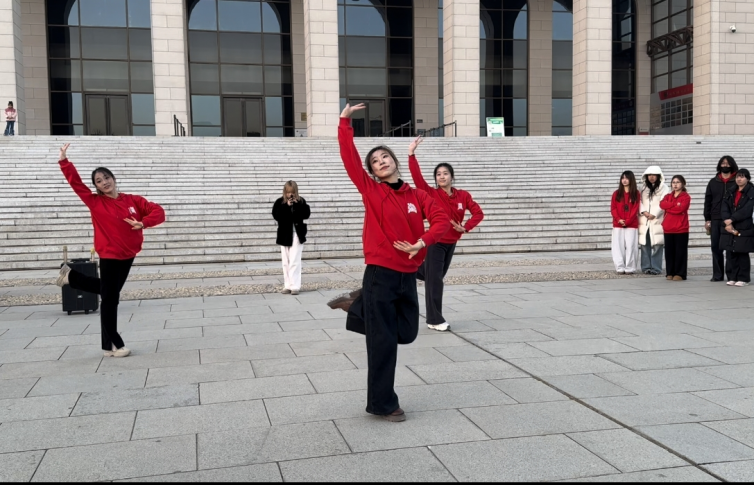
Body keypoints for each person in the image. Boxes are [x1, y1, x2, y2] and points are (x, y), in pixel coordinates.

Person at [335, 103, 450, 422]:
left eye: (385, 156)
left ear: (394, 161)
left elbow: (441, 220)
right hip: (380, 275)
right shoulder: (371, 190)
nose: (381, 162)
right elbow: (349, 158)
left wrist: (422, 242)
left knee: (408, 332)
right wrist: (344, 123)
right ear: (373, 172)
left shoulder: (418, 196)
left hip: (407, 276)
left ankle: (359, 306)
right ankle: (382, 404)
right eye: (375, 161)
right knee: (383, 343)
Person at [55, 143, 165, 357]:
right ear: (96, 186)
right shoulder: (95, 202)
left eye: (106, 177)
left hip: (129, 254)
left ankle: (72, 277)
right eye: (99, 181)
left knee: (109, 291)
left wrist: (144, 223)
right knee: (110, 298)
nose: (104, 182)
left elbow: (158, 211)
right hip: (109, 254)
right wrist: (64, 161)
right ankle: (115, 343)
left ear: (113, 178)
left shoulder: (133, 200)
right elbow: (76, 183)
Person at [408, 137, 484, 331]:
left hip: (451, 243)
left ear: (451, 176)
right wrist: (411, 154)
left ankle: (404, 267)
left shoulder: (463, 196)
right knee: (435, 282)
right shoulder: (431, 194)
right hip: (435, 242)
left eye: (445, 173)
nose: (441, 177)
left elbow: (478, 213)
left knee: (433, 276)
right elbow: (417, 178)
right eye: (438, 174)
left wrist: (465, 227)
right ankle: (434, 320)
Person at [272, 180, 310, 295]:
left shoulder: (301, 201)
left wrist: (297, 204)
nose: (290, 195)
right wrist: (286, 206)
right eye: (288, 192)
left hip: (297, 234)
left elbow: (306, 214)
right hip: (284, 235)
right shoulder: (280, 202)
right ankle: (287, 285)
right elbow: (276, 215)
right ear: (285, 192)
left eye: (292, 192)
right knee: (286, 261)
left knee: (295, 260)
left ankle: (295, 286)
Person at [704, 155, 739, 281]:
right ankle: (717, 275)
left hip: (730, 219)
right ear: (719, 165)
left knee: (730, 247)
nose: (725, 165)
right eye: (723, 163)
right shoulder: (713, 182)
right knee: (715, 247)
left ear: (732, 165)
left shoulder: (736, 181)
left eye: (727, 163)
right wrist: (707, 218)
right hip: (715, 218)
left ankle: (731, 275)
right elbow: (708, 201)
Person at [720, 169, 754, 287]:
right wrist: (727, 221)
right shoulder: (730, 191)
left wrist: (732, 219)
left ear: (747, 179)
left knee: (742, 252)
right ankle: (732, 277)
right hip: (730, 225)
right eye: (738, 177)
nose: (739, 179)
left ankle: (743, 278)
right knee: (730, 252)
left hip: (744, 225)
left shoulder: (751, 192)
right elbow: (724, 206)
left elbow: (747, 210)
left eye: (742, 177)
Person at [638, 166, 669, 275]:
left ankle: (656, 268)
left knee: (657, 244)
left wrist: (654, 214)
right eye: (649, 175)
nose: (651, 177)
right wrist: (644, 212)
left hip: (657, 220)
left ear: (658, 176)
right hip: (644, 220)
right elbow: (638, 201)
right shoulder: (643, 188)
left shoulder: (664, 188)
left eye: (654, 175)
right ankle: (646, 267)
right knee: (644, 244)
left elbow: (665, 201)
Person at [660, 175, 691, 281]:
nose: (675, 184)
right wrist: (674, 205)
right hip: (668, 228)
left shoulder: (685, 196)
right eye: (673, 182)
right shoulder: (668, 196)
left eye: (678, 182)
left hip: (681, 228)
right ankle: (670, 272)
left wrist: (670, 207)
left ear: (683, 184)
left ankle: (680, 273)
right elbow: (662, 204)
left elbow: (681, 209)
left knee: (680, 252)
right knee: (669, 252)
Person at [611, 170, 640, 274]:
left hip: (631, 224)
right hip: (618, 224)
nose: (624, 180)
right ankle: (619, 266)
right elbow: (613, 208)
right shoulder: (616, 193)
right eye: (622, 178)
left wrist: (628, 221)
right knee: (618, 246)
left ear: (631, 179)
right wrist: (618, 219)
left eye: (627, 178)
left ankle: (630, 267)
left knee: (631, 246)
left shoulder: (636, 193)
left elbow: (635, 209)